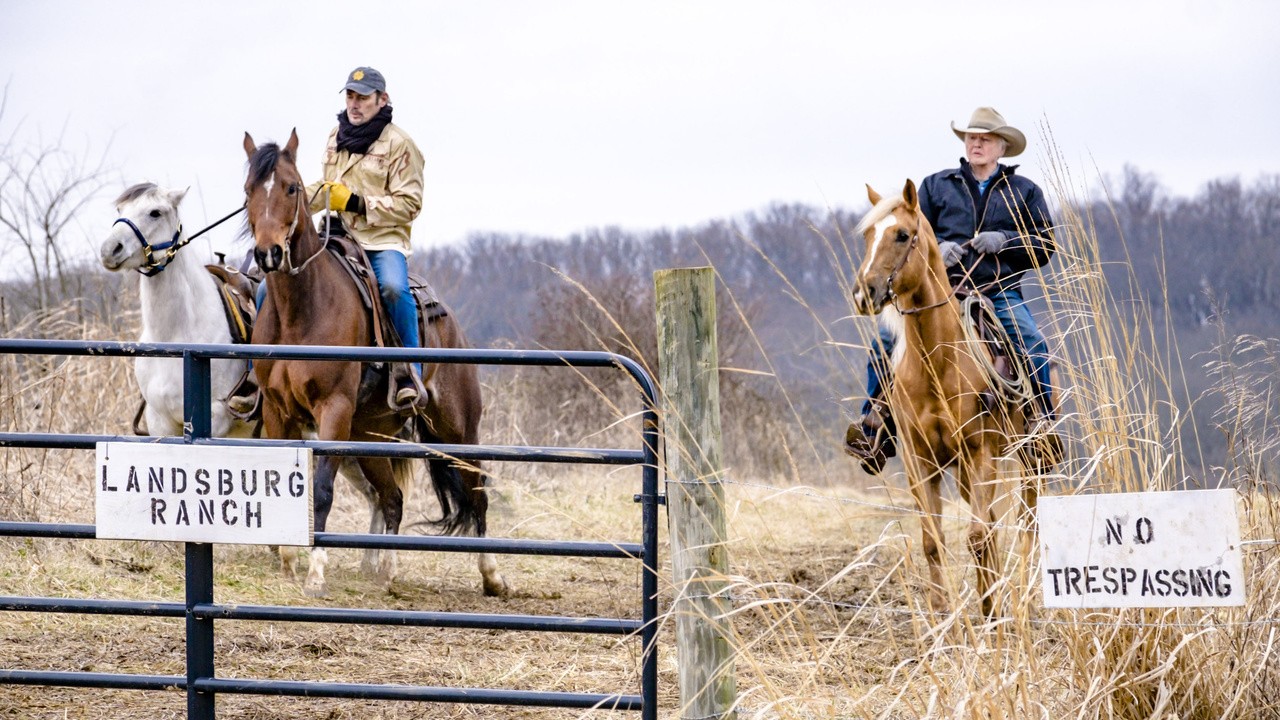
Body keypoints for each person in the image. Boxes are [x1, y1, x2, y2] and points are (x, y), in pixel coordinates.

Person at [846, 107, 1059, 474]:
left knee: (1032, 341)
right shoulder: (936, 186)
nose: (976, 143)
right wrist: (940, 248)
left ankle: (1041, 425)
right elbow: (915, 233)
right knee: (884, 341)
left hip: (998, 290)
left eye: (985, 139)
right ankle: (874, 427)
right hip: (942, 291)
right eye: (971, 137)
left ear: (1002, 147)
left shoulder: (1024, 192)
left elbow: (1045, 244)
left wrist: (1005, 240)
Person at [230, 66, 426, 415]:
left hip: (381, 241)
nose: (355, 103)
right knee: (264, 290)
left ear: (382, 99)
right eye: (350, 96)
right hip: (335, 236)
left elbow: (410, 204)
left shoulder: (401, 144)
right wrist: (283, 200)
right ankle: (256, 375)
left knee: (394, 288)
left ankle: (408, 372)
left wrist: (357, 203)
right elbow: (325, 189)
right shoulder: (336, 137)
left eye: (363, 97)